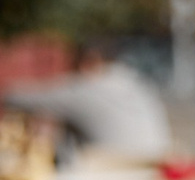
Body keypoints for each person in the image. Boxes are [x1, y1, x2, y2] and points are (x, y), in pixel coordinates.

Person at [5, 41, 172, 159]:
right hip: (151, 172)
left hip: (111, 177)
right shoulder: (134, 82)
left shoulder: (87, 89)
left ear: (88, 62)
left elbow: (19, 97)